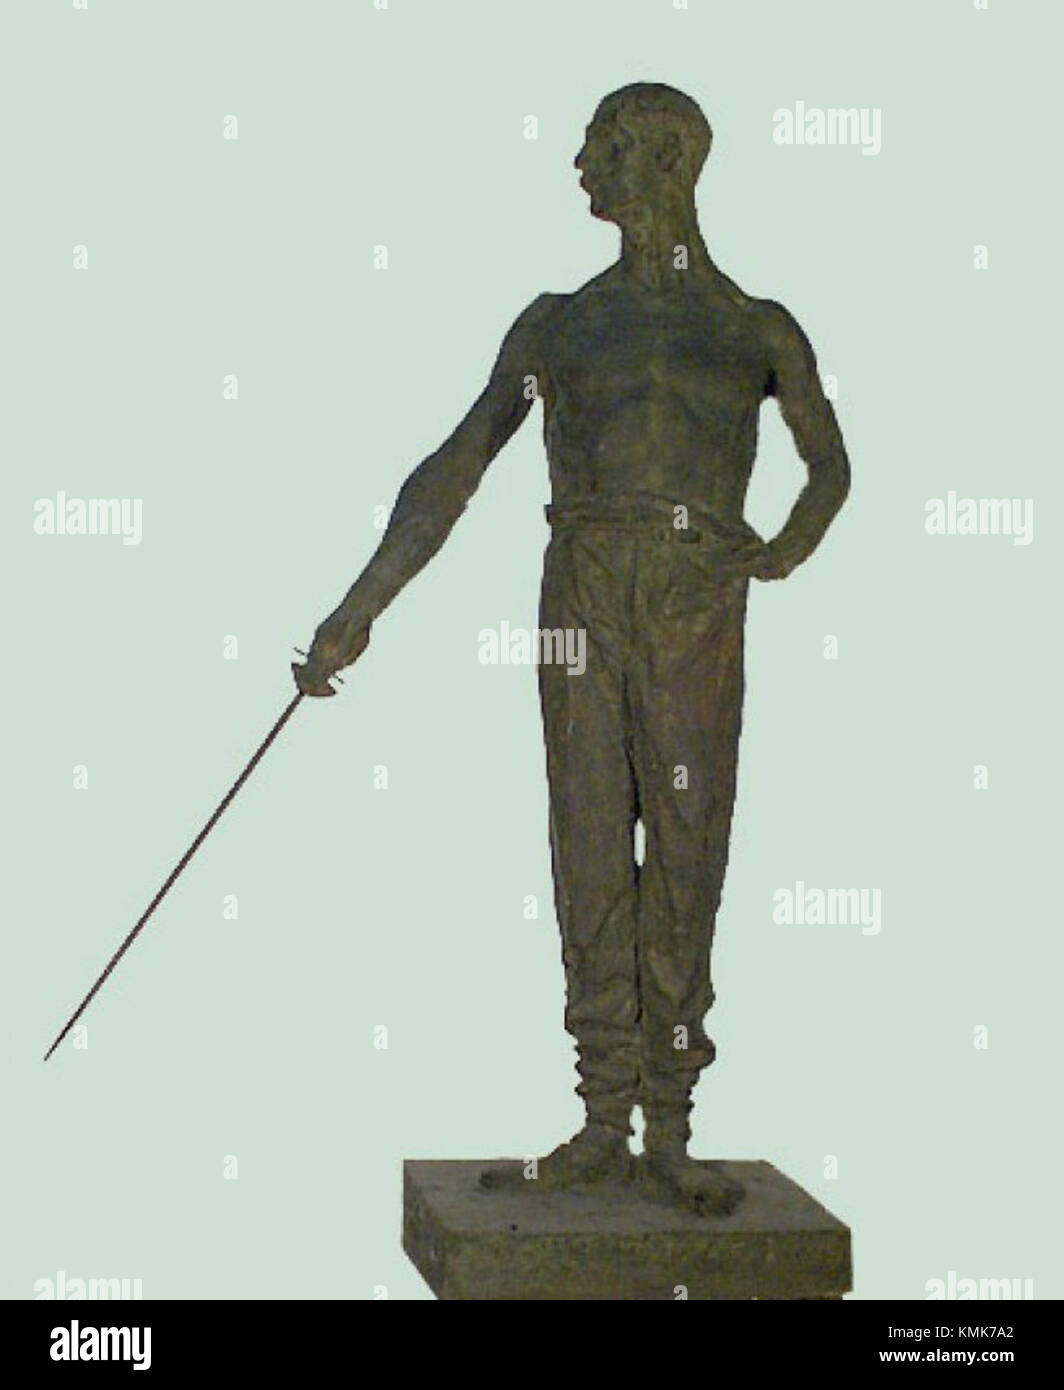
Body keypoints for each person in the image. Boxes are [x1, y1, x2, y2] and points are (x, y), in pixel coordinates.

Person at [294, 83, 850, 1214]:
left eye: (603, 143)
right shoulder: (558, 323)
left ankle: (671, 1127)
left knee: (687, 840)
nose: (581, 163)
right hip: (579, 591)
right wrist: (361, 605)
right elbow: (455, 467)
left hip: (695, 594)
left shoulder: (754, 327)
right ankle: (603, 1118)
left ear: (664, 160)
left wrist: (782, 550)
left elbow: (829, 463)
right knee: (587, 831)